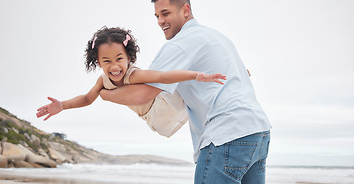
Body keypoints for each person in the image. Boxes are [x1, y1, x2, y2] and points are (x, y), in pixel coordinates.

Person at [99, 0, 272, 184]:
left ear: (186, 10)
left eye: (166, 13)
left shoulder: (179, 44)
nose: (160, 21)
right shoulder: (217, 37)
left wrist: (105, 94)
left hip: (226, 135)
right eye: (157, 16)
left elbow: (144, 93)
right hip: (258, 133)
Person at [36, 26, 226, 137]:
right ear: (98, 62)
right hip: (151, 115)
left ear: (129, 57)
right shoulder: (102, 80)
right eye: (106, 61)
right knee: (191, 94)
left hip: (163, 104)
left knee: (188, 87)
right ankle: (209, 76)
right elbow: (87, 99)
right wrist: (62, 105)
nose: (114, 66)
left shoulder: (133, 75)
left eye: (119, 59)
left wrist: (196, 76)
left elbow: (162, 77)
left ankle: (216, 72)